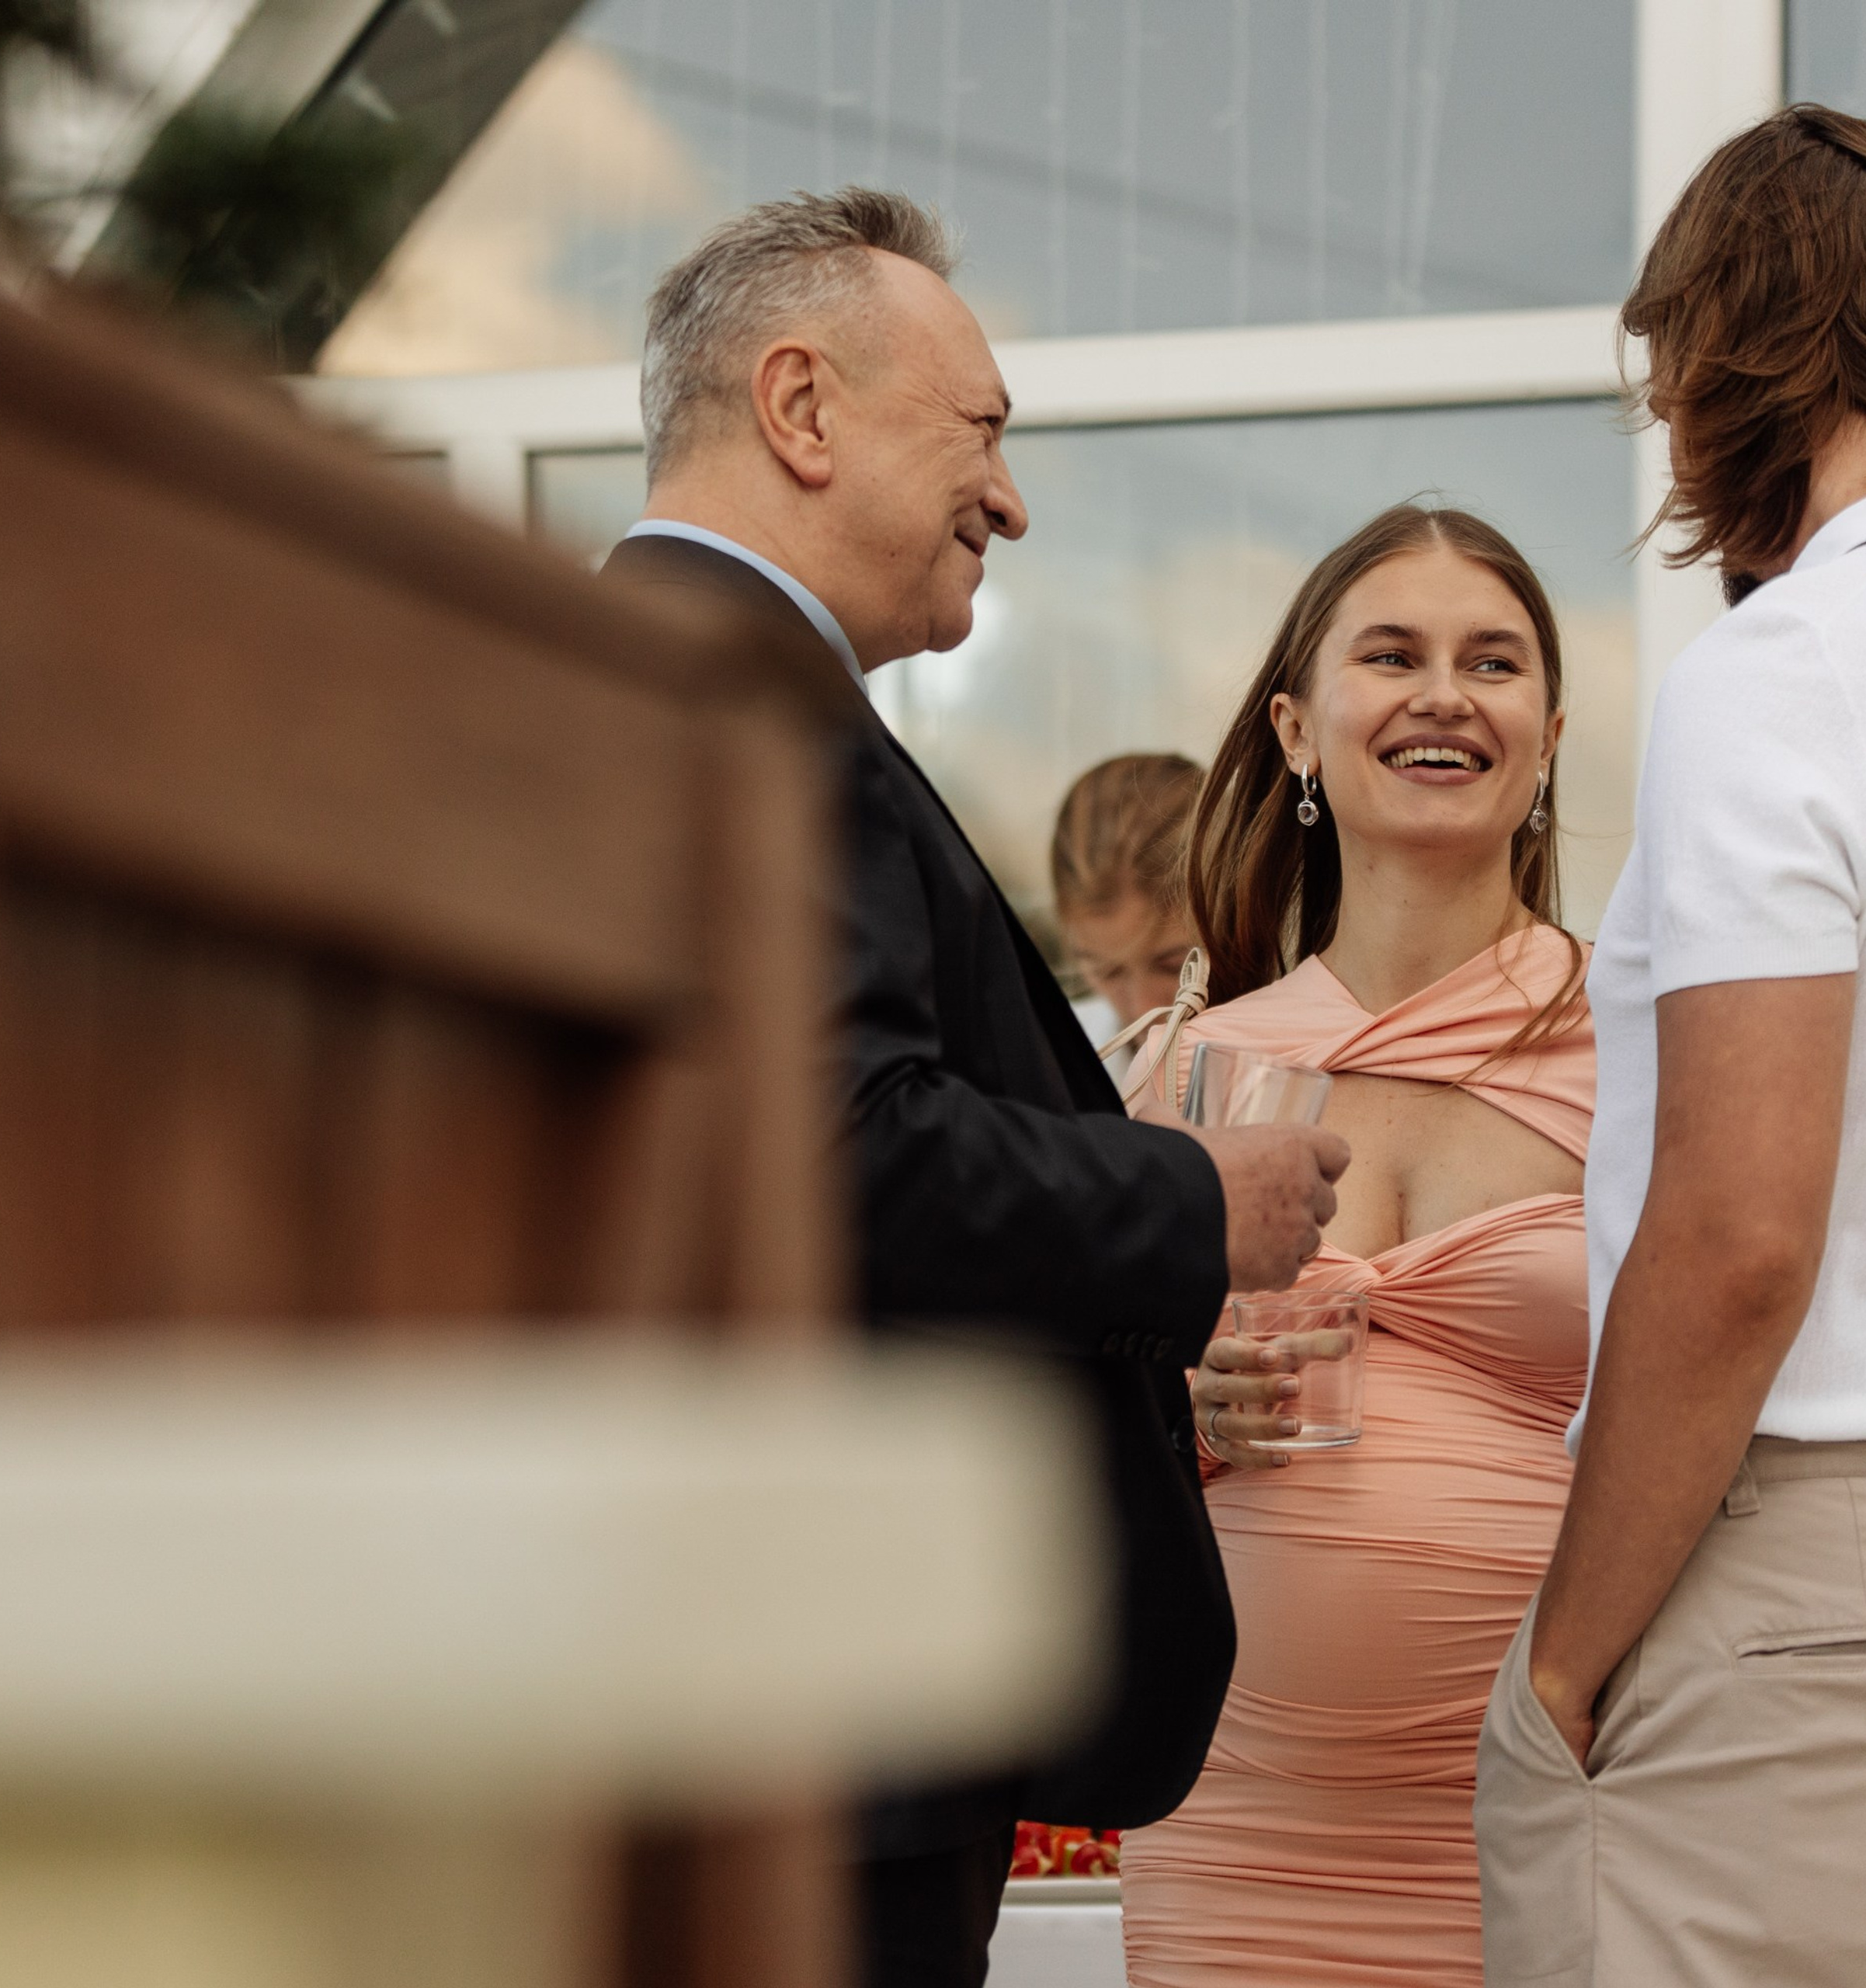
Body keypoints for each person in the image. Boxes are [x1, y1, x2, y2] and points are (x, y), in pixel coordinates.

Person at [597, 188, 1347, 1988]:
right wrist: (1190, 1203)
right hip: (823, 1710)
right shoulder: (750, 709)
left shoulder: (632, 678)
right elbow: (832, 1154)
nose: (1007, 498)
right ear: (799, 409)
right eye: (981, 431)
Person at [1477, 105, 1866, 1988]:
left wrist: (1560, 1658)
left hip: (1797, 1585)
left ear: (1726, 356)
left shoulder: (1791, 665)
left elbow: (1736, 1235)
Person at [1118, 504, 1593, 1986]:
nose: (1444, 693)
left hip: (1559, 1803)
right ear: (1299, 731)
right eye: (1391, 654)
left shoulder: (1646, 1050)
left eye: (1493, 662)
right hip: (1233, 1823)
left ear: (1549, 735)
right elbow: (1046, 1433)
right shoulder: (1185, 1078)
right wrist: (1158, 1417)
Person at [1051, 753, 1207, 1034]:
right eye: (1106, 972)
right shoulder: (1054, 1049)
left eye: (1176, 967)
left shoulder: (1295, 1060)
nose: (1141, 1010)